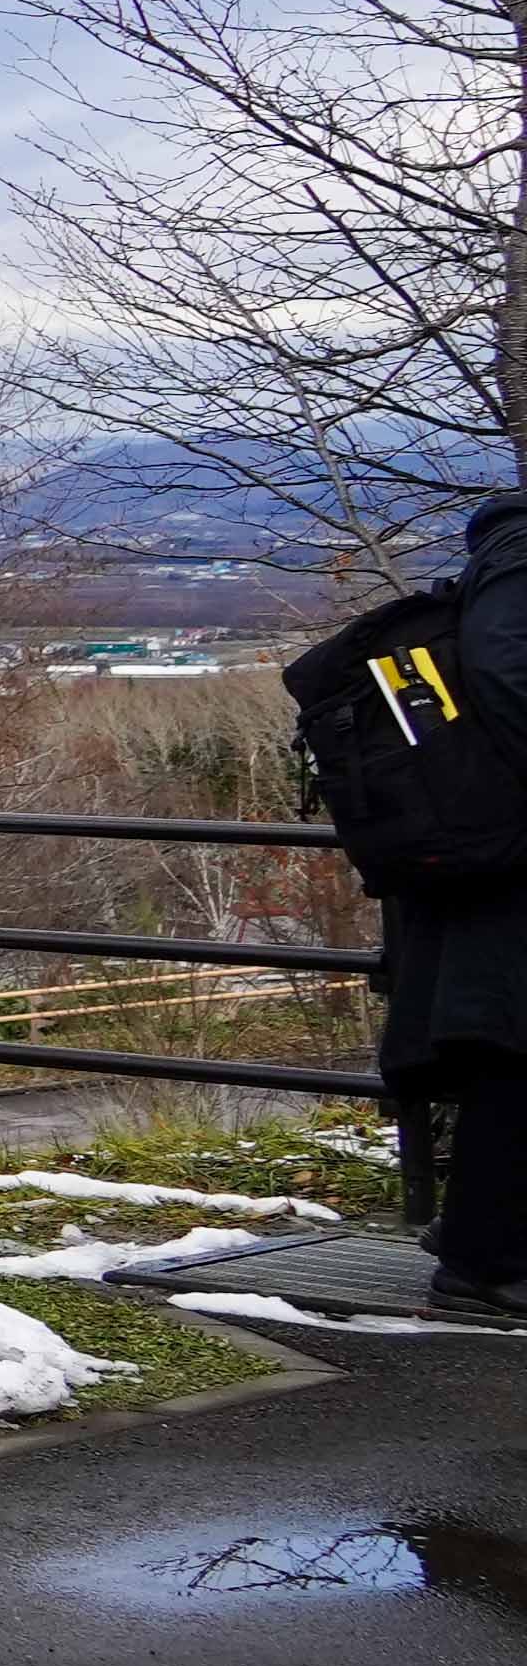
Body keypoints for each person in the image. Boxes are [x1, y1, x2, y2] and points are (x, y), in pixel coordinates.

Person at [373, 491, 527, 1320]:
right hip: (506, 865)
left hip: (494, 856)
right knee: (513, 1053)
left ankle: (475, 1232)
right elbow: (505, 670)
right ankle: (481, 1260)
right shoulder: (522, 555)